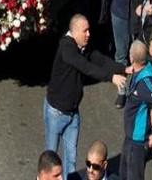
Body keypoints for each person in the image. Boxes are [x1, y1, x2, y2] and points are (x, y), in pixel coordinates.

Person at [45, 15, 126, 179]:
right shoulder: (67, 48)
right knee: (50, 161)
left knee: (71, 160)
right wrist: (111, 78)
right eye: (85, 31)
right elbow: (86, 67)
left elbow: (99, 59)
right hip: (56, 113)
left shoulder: (82, 47)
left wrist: (123, 69)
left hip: (72, 113)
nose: (89, 34)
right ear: (74, 32)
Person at [121, 40, 152, 180]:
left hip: (138, 141)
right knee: (123, 174)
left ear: (131, 58)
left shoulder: (145, 82)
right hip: (130, 137)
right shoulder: (144, 69)